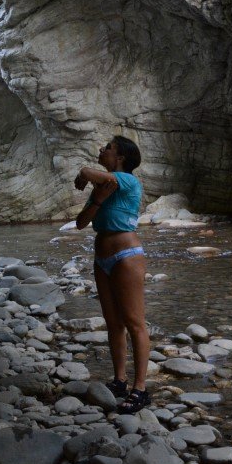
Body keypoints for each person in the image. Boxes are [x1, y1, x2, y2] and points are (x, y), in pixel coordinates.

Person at [73, 135, 150, 414]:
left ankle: (140, 389)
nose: (101, 150)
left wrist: (84, 173)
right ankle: (120, 380)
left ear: (120, 158)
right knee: (113, 322)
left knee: (134, 322)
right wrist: (98, 199)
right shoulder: (104, 187)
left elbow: (106, 179)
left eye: (107, 148)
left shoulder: (127, 179)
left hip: (126, 256)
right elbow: (81, 223)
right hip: (102, 257)